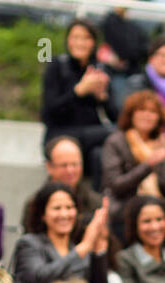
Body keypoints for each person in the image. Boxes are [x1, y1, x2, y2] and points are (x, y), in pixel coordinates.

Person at [10, 180, 110, 283]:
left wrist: (98, 250)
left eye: (69, 207)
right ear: (43, 215)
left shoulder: (76, 249)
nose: (64, 214)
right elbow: (40, 278)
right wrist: (83, 247)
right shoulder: (29, 244)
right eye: (57, 208)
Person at [102, 90, 165, 236]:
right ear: (131, 114)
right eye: (142, 110)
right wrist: (148, 165)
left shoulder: (158, 144)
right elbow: (116, 186)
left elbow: (163, 188)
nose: (147, 115)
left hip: (154, 205)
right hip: (124, 207)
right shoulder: (116, 142)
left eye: (153, 112)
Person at [40, 18, 116, 186]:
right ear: (68, 40)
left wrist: (102, 96)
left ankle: (98, 204)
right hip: (60, 133)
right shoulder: (56, 66)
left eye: (86, 38)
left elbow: (114, 115)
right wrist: (78, 91)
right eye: (75, 37)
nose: (80, 43)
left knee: (99, 154)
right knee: (114, 133)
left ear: (94, 42)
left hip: (90, 138)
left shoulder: (100, 69)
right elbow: (48, 114)